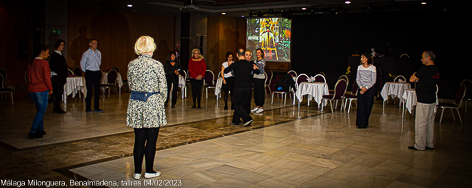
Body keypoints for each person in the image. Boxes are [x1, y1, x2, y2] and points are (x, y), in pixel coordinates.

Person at [127, 36, 167, 179]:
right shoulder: (157, 65)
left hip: (136, 103)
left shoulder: (132, 64)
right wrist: (161, 100)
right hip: (152, 102)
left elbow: (130, 85)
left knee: (138, 139)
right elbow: (163, 87)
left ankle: (137, 171)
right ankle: (149, 170)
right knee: (151, 139)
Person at [408, 50, 439, 151]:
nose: (421, 59)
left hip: (423, 100)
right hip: (432, 99)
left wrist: (416, 77)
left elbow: (411, 79)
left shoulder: (424, 69)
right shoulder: (436, 70)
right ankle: (430, 143)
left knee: (421, 123)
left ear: (428, 58)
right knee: (430, 123)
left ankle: (420, 145)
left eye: (423, 57)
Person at [224, 49, 260, 126]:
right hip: (248, 87)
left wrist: (230, 66)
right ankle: (235, 120)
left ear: (237, 55)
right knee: (242, 103)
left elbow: (226, 71)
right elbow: (257, 72)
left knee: (236, 104)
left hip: (238, 87)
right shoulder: (250, 64)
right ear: (244, 55)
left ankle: (247, 118)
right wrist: (255, 67)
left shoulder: (235, 64)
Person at [27, 44, 53, 139]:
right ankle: (33, 131)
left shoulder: (31, 62)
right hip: (41, 89)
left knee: (40, 110)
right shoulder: (44, 63)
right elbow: (47, 78)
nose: (48, 55)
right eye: (47, 52)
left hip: (31, 89)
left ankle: (40, 129)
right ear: (42, 52)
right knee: (41, 110)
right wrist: (50, 88)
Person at [80, 38, 103, 113]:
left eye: (96, 43)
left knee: (97, 90)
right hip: (90, 72)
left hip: (97, 72)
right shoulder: (86, 53)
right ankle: (88, 107)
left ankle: (96, 107)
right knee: (89, 90)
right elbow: (82, 64)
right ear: (90, 44)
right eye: (94, 43)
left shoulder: (98, 53)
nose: (95, 45)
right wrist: (87, 71)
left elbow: (99, 62)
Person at [356, 53, 377, 129]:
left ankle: (365, 122)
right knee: (361, 105)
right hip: (361, 88)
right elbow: (358, 79)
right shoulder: (359, 67)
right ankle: (360, 123)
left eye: (363, 57)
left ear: (367, 58)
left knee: (368, 105)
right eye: (361, 58)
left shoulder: (372, 68)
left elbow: (373, 80)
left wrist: (366, 88)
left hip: (369, 88)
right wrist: (361, 87)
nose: (362, 59)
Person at [49, 39, 68, 113]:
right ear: (58, 45)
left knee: (59, 92)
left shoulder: (60, 54)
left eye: (63, 45)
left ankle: (57, 106)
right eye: (61, 45)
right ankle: (56, 107)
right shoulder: (55, 55)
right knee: (56, 92)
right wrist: (61, 73)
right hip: (57, 76)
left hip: (61, 76)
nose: (63, 46)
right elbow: (53, 66)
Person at [251, 49, 266, 114]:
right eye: (257, 53)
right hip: (255, 77)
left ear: (261, 54)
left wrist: (256, 68)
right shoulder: (254, 61)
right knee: (256, 92)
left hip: (260, 78)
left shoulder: (262, 62)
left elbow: (261, 71)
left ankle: (261, 106)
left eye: (259, 53)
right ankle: (257, 105)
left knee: (260, 92)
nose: (258, 54)